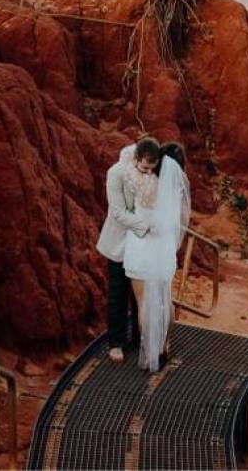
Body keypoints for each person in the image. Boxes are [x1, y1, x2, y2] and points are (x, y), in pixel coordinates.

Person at [123, 142, 190, 372]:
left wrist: (144, 151)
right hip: (164, 250)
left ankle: (151, 352)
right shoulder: (176, 188)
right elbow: (179, 220)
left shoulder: (145, 183)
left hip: (141, 249)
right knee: (165, 300)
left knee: (144, 303)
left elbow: (126, 154)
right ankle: (165, 345)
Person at [96, 138, 157, 363]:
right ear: (136, 158)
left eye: (153, 169)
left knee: (142, 294)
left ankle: (141, 338)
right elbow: (117, 212)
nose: (149, 173)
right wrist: (145, 226)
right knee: (119, 292)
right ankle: (116, 342)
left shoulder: (152, 171)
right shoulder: (117, 173)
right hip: (121, 241)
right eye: (146, 168)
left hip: (144, 245)